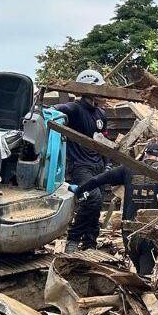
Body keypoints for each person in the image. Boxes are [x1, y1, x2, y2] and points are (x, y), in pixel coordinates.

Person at [70, 143, 158, 276]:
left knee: (139, 266)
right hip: (152, 232)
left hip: (129, 233)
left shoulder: (127, 169)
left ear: (145, 154)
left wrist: (79, 190)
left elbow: (96, 180)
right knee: (146, 275)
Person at [55, 69, 109, 252]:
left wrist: (106, 163)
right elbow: (53, 112)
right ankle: (73, 240)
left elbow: (103, 141)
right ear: (89, 90)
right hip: (80, 166)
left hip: (98, 166)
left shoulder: (102, 114)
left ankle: (90, 243)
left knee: (97, 204)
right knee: (92, 199)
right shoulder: (74, 109)